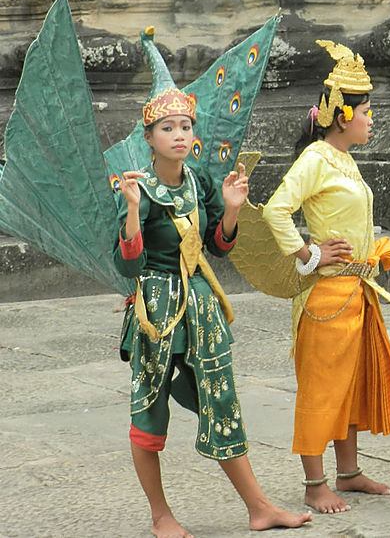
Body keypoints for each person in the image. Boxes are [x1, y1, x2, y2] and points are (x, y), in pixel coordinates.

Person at [115, 28, 311, 537]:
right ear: (150, 137)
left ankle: (259, 507)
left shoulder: (200, 182)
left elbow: (218, 248)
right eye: (168, 128)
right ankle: (161, 515)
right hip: (156, 307)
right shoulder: (135, 188)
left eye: (185, 126)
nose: (180, 135)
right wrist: (134, 214)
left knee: (220, 400)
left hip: (200, 304)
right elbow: (128, 264)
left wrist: (230, 210)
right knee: (150, 406)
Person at [261, 40, 390, 513]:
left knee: (348, 387)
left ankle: (348, 474)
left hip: (357, 289)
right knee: (322, 389)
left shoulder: (344, 160)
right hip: (327, 294)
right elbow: (276, 210)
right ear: (342, 115)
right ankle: (315, 484)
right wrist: (308, 251)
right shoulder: (315, 159)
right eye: (367, 111)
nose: (372, 120)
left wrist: (373, 253)